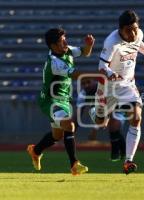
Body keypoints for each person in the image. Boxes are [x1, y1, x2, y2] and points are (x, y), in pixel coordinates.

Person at [90, 10, 144, 174]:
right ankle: (96, 112)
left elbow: (139, 44)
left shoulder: (138, 34)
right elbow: (101, 67)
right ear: (120, 30)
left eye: (135, 29)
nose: (133, 33)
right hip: (108, 87)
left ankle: (128, 160)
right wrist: (110, 73)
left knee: (136, 118)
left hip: (128, 85)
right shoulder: (112, 42)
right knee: (101, 122)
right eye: (128, 30)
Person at [27, 27, 95, 175]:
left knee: (57, 135)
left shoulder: (67, 50)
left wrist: (89, 45)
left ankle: (35, 151)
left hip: (63, 100)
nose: (65, 42)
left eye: (65, 39)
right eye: (61, 41)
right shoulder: (54, 62)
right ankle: (74, 164)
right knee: (69, 125)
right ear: (52, 46)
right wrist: (101, 75)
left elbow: (85, 52)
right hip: (50, 100)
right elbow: (76, 74)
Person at [76, 78, 126, 161]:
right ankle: (117, 154)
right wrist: (70, 132)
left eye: (88, 82)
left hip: (118, 107)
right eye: (83, 83)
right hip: (103, 110)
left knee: (114, 126)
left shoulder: (104, 89)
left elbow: (111, 107)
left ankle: (121, 153)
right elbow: (77, 114)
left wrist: (95, 128)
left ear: (94, 81)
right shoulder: (83, 93)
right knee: (113, 128)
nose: (86, 85)